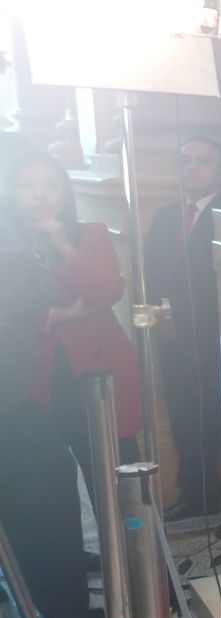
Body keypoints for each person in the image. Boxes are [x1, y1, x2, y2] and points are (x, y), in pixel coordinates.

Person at [0, 206, 107, 618]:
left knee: (46, 498)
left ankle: (65, 615)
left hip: (18, 397)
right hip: (12, 405)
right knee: (40, 504)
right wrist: (51, 313)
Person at [3, 152, 142, 478]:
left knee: (117, 473)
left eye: (50, 185)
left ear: (65, 192)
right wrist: (56, 316)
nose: (39, 195)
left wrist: (65, 245)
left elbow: (107, 293)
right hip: (32, 372)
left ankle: (128, 532)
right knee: (47, 478)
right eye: (27, 186)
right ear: (12, 192)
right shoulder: (6, 242)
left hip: (97, 368)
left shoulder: (92, 234)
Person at [148, 137, 221, 521]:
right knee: (184, 416)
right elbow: (151, 272)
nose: (192, 168)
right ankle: (198, 493)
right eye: (186, 160)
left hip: (219, 336)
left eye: (203, 161)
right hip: (173, 333)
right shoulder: (167, 216)